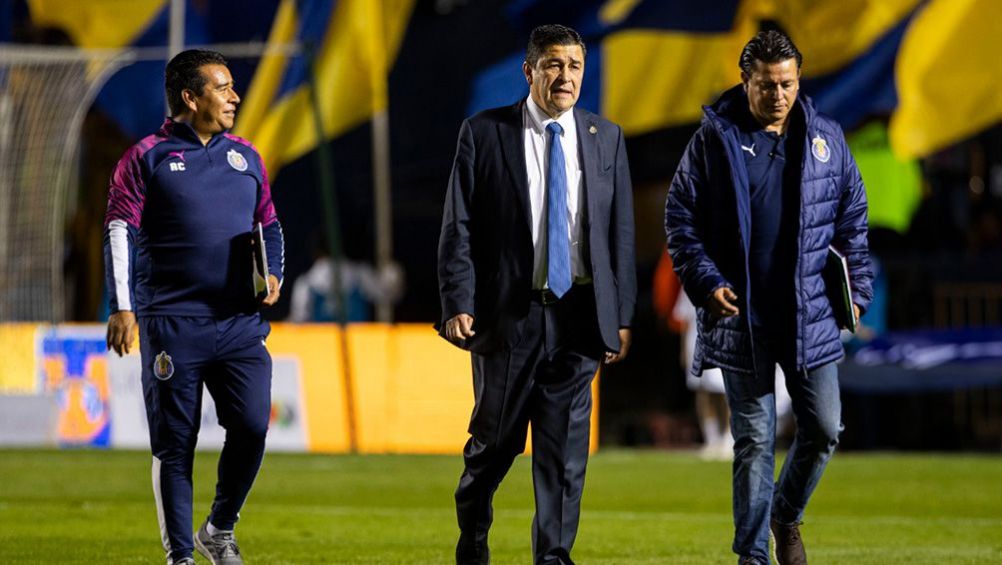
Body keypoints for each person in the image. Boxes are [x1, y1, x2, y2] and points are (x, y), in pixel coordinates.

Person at [664, 31, 873, 565]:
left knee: (825, 429)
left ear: (798, 81)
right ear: (745, 81)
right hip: (742, 319)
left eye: (787, 83)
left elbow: (852, 218)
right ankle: (753, 556)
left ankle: (785, 514)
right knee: (755, 440)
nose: (778, 94)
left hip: (811, 314)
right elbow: (680, 220)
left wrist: (859, 289)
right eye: (766, 84)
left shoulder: (826, 137)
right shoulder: (714, 140)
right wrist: (707, 281)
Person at [437, 24, 636, 565]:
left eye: (573, 66)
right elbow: (460, 225)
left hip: (578, 319)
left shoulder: (606, 137)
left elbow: (619, 233)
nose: (564, 76)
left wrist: (619, 315)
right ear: (529, 72)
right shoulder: (484, 132)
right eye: (553, 65)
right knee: (494, 446)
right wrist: (459, 300)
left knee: (563, 452)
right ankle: (473, 533)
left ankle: (553, 555)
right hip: (509, 318)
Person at [104, 49, 284, 565]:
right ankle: (180, 556)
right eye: (223, 87)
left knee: (252, 425)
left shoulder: (247, 156)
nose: (235, 96)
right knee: (175, 445)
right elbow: (120, 227)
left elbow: (268, 224)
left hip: (239, 325)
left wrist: (273, 273)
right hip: (172, 323)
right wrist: (123, 306)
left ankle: (219, 529)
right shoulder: (145, 157)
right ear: (190, 97)